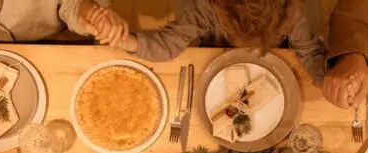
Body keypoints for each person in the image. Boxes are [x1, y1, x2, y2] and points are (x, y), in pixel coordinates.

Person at [83, 0, 327, 84]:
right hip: (211, 64)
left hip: (278, 68)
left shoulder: (292, 9)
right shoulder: (205, 5)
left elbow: (308, 51)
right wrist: (126, 41)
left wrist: (326, 78)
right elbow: (169, 43)